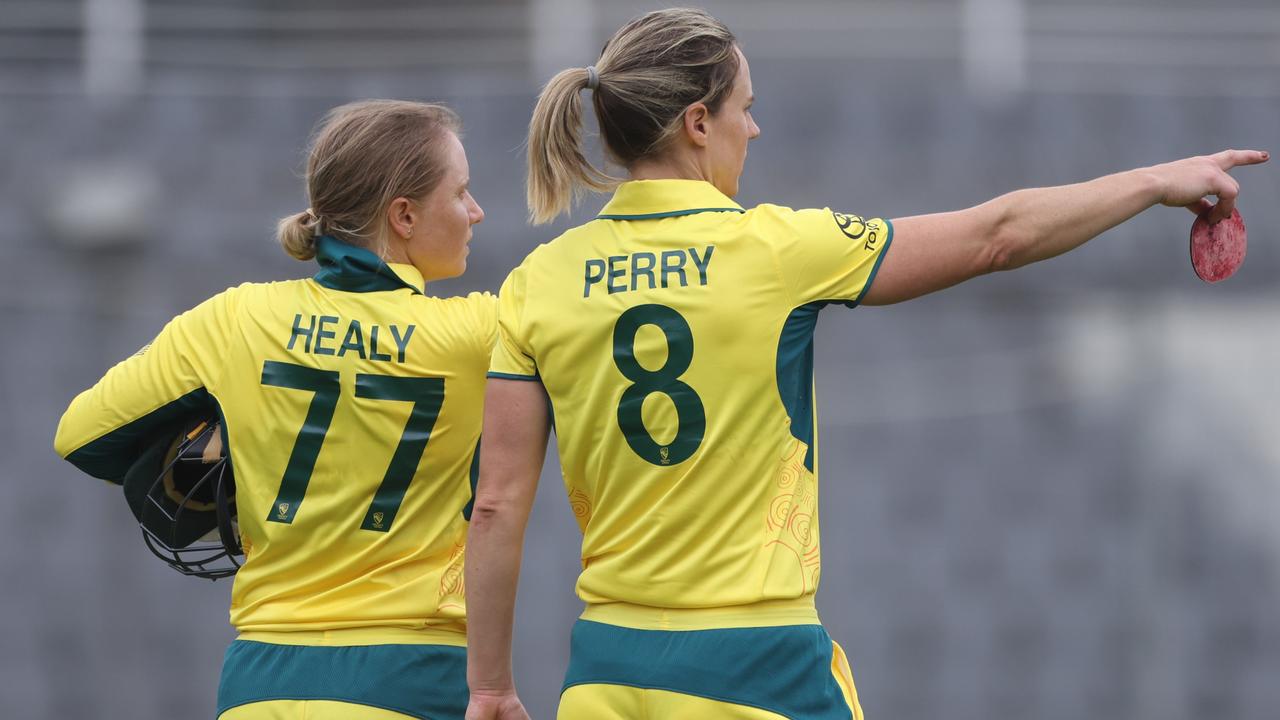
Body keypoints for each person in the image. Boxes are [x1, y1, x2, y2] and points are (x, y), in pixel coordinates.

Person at [462, 7, 1269, 720]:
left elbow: (495, 505)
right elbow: (999, 234)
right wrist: (1156, 180)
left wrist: (492, 687)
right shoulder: (777, 249)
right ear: (698, 123)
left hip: (607, 669)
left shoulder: (538, 282)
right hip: (756, 668)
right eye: (748, 108)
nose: (758, 129)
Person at [54, 99, 493, 720]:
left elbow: (81, 436)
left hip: (260, 681)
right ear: (404, 215)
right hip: (409, 676)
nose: (476, 212)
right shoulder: (478, 332)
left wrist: (231, 442)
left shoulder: (236, 317)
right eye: (463, 193)